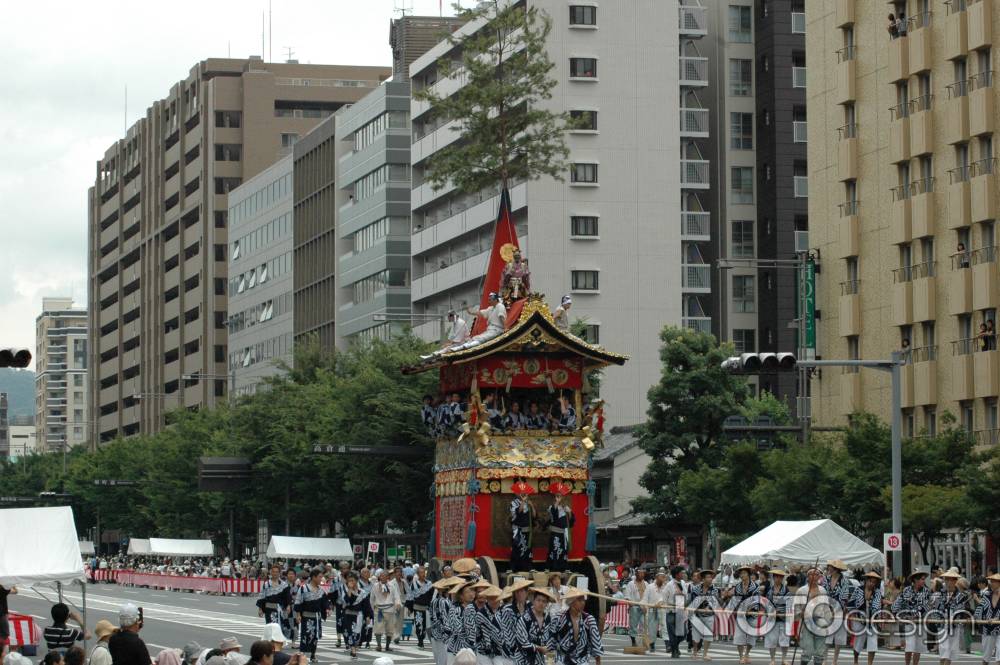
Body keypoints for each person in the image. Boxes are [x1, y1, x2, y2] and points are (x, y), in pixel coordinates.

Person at [546, 587, 603, 665]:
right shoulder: (559, 617)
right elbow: (551, 641)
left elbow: (596, 643)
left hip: (582, 660)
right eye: (579, 600)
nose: (583, 603)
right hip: (562, 659)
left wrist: (598, 661)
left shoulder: (589, 620)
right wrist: (550, 662)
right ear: (571, 602)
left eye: (583, 600)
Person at [893, 571, 932, 665]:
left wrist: (917, 614)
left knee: (918, 648)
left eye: (924, 579)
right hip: (908, 622)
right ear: (915, 579)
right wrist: (895, 612)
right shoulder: (906, 590)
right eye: (922, 579)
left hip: (920, 622)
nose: (923, 581)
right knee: (909, 646)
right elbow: (898, 602)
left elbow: (928, 605)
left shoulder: (926, 591)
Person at [724, 566, 759, 665]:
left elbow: (756, 600)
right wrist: (728, 610)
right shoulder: (738, 586)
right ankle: (741, 657)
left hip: (752, 614)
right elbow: (734, 600)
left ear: (748, 574)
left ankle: (747, 654)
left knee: (751, 637)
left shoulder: (754, 586)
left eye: (744, 573)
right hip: (740, 614)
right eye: (741, 573)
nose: (742, 575)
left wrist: (750, 610)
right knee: (739, 636)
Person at [294, 567, 329, 664]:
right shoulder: (303, 588)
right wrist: (298, 615)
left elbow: (324, 602)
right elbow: (298, 602)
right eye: (319, 577)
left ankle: (313, 654)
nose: (321, 579)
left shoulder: (321, 590)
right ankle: (303, 655)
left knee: (315, 637)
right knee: (305, 636)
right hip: (306, 616)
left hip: (316, 617)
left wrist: (327, 609)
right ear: (313, 577)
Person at [795, 568, 829, 665]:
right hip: (806, 622)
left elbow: (826, 608)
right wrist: (800, 613)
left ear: (819, 577)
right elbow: (796, 608)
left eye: (817, 574)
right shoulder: (801, 591)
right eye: (811, 574)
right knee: (808, 650)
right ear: (807, 576)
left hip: (820, 622)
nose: (814, 576)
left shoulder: (823, 590)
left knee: (819, 652)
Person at [934, 570, 968, 665]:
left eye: (951, 580)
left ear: (955, 581)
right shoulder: (940, 594)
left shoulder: (960, 595)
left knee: (951, 651)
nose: (948, 582)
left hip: (954, 625)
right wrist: (938, 619)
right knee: (943, 650)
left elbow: (961, 609)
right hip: (942, 625)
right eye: (947, 580)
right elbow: (936, 609)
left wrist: (953, 617)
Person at [825, 560, 854, 665]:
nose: (828, 569)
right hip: (827, 609)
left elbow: (845, 597)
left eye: (830, 567)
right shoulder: (826, 579)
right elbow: (824, 593)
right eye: (828, 567)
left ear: (836, 569)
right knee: (827, 635)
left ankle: (835, 661)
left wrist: (840, 610)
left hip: (840, 610)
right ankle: (825, 659)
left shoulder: (844, 580)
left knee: (839, 637)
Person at [851, 571, 883, 665]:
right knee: (858, 643)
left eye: (874, 582)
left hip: (872, 620)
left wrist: (869, 602)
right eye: (870, 581)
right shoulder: (858, 589)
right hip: (859, 619)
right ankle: (856, 660)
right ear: (866, 581)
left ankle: (870, 663)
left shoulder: (877, 592)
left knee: (872, 643)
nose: (872, 584)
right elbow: (852, 603)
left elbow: (877, 606)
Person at [339, 571, 372, 660]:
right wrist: (349, 590)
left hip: (358, 616)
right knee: (348, 633)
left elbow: (366, 606)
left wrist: (368, 616)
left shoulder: (362, 592)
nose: (351, 582)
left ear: (357, 581)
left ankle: (353, 647)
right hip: (347, 615)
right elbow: (347, 601)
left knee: (357, 634)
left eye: (353, 580)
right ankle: (353, 650)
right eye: (349, 581)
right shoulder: (345, 590)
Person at [689, 569, 719, 661]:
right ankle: (695, 652)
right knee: (695, 635)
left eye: (711, 577)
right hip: (697, 615)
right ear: (703, 579)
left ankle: (705, 653)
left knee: (708, 635)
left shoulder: (715, 589)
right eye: (708, 577)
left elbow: (716, 602)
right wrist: (700, 608)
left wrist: (709, 608)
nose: (710, 579)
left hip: (709, 615)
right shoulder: (696, 589)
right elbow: (693, 601)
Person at [763, 569, 791, 665]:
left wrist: (778, 611)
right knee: (771, 639)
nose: (778, 579)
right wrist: (769, 611)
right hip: (771, 618)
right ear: (773, 578)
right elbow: (765, 602)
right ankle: (772, 659)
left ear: (782, 578)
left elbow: (788, 604)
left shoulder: (786, 590)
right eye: (776, 577)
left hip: (783, 618)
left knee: (785, 639)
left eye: (780, 577)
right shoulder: (768, 590)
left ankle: (784, 658)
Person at [371, 568, 402, 652]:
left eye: (385, 576)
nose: (383, 577)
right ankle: (379, 645)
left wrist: (398, 604)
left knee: (390, 629)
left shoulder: (392, 586)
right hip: (379, 609)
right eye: (381, 576)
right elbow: (372, 598)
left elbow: (396, 596)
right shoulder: (375, 585)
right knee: (378, 628)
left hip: (390, 609)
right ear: (379, 577)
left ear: (388, 577)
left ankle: (387, 645)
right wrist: (372, 608)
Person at [258, 565, 293, 637]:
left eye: (277, 572)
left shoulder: (284, 585)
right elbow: (262, 596)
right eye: (273, 572)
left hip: (279, 610)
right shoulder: (266, 584)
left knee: (279, 627)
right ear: (271, 572)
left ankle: (277, 644)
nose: (275, 573)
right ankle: (271, 644)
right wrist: (260, 609)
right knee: (270, 627)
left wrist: (288, 606)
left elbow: (288, 597)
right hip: (268, 610)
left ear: (279, 573)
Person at [545, 483, 575, 569]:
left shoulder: (565, 507)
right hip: (555, 534)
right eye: (557, 496)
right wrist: (557, 503)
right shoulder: (552, 507)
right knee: (555, 551)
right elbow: (553, 516)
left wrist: (569, 512)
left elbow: (571, 522)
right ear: (554, 497)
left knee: (563, 552)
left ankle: (563, 568)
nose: (559, 497)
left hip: (563, 534)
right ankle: (553, 568)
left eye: (560, 496)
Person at [522, 588, 554, 665]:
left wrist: (550, 663)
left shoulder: (549, 619)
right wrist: (538, 648)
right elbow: (522, 642)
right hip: (526, 659)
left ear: (547, 604)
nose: (541, 603)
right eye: (538, 600)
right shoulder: (525, 618)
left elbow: (551, 642)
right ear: (533, 601)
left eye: (544, 601)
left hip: (544, 659)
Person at [973, 573, 1000, 665]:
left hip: (999, 628)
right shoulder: (987, 595)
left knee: (999, 657)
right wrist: (973, 618)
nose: (991, 583)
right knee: (986, 658)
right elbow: (979, 610)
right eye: (991, 581)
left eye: (994, 582)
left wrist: (997, 618)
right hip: (987, 628)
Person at [510, 480, 535, 573]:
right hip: (518, 530)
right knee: (517, 549)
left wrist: (532, 506)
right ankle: (514, 568)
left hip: (527, 530)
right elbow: (518, 512)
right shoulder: (514, 503)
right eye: (520, 492)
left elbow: (534, 516)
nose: (522, 493)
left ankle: (528, 567)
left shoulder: (528, 502)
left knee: (527, 550)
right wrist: (523, 502)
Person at [643, 569, 670, 653]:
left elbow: (667, 598)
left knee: (665, 627)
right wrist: (644, 606)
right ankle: (652, 645)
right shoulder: (650, 587)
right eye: (662, 577)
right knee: (652, 629)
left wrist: (661, 602)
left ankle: (668, 646)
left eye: (664, 577)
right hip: (652, 610)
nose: (663, 579)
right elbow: (645, 598)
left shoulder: (666, 587)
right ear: (657, 577)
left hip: (663, 610)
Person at [663, 567, 687, 659]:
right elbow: (664, 597)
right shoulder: (669, 585)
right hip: (671, 611)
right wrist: (665, 604)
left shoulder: (683, 583)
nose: (683, 574)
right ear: (676, 574)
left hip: (681, 611)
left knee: (683, 634)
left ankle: (675, 647)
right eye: (681, 573)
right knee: (672, 633)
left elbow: (685, 595)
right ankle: (674, 651)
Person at [408, 566, 434, 648]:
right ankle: (420, 641)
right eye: (421, 573)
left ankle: (428, 639)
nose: (423, 574)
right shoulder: (414, 584)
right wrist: (409, 608)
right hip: (417, 607)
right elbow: (410, 596)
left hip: (427, 608)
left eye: (424, 573)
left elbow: (432, 596)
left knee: (427, 626)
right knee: (419, 625)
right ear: (418, 574)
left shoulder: (429, 584)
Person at [623, 568, 648, 648]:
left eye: (643, 573)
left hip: (644, 607)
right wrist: (630, 603)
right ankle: (633, 641)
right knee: (633, 625)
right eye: (640, 573)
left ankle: (645, 642)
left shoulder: (646, 584)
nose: (641, 575)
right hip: (634, 606)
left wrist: (646, 605)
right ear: (636, 574)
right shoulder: (631, 584)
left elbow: (648, 595)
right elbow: (627, 595)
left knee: (645, 625)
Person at [0, 584, 16, 658]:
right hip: (2, 614)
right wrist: (13, 583)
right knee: (5, 633)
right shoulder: (2, 589)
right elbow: (15, 591)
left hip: (2, 614)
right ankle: (2, 651)